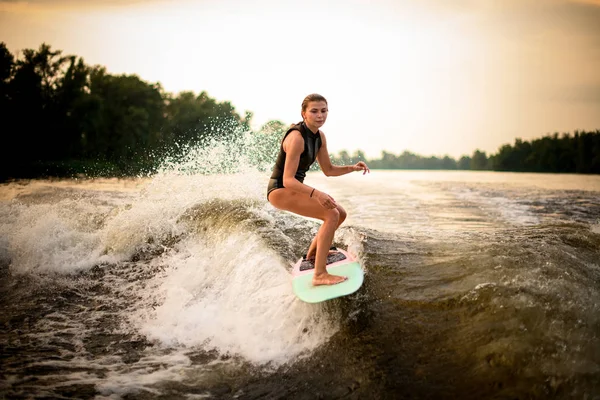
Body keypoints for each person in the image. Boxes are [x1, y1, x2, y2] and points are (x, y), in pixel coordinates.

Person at [267, 93, 370, 286]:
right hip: (280, 190)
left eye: (324, 111)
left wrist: (352, 168)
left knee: (340, 213)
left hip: (294, 189)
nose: (320, 115)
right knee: (330, 214)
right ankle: (319, 274)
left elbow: (328, 170)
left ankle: (313, 254)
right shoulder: (296, 138)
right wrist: (317, 194)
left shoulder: (320, 137)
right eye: (314, 111)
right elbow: (288, 180)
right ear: (304, 113)